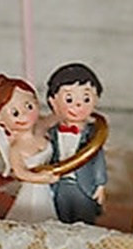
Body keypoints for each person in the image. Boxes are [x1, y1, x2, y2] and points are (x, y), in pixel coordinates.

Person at [0, 73, 57, 224]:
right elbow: (20, 173)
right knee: (35, 218)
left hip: (53, 185)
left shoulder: (40, 129)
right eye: (15, 113)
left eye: (29, 106)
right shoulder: (16, 148)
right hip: (35, 190)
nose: (24, 115)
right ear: (0, 119)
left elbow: (55, 118)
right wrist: (41, 178)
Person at [44, 62, 108, 224]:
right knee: (60, 219)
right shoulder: (51, 134)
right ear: (53, 102)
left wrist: (100, 185)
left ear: (96, 99)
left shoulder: (93, 135)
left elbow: (98, 159)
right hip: (58, 186)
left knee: (84, 222)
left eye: (86, 98)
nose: (78, 105)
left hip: (84, 186)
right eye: (69, 99)